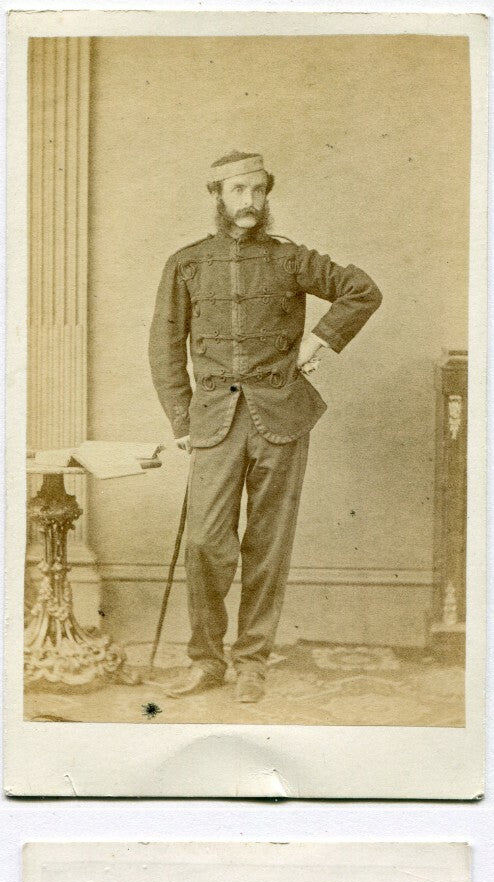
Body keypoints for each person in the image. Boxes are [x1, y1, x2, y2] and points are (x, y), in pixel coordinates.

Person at [149, 150, 382, 702]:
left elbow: (362, 290)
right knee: (205, 543)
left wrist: (318, 340)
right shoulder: (186, 263)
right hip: (214, 422)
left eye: (257, 189)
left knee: (267, 545)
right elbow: (165, 347)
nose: (249, 201)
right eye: (237, 190)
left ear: (267, 193)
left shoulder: (291, 259)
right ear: (217, 196)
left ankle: (251, 662)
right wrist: (182, 419)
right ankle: (206, 660)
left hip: (281, 417)